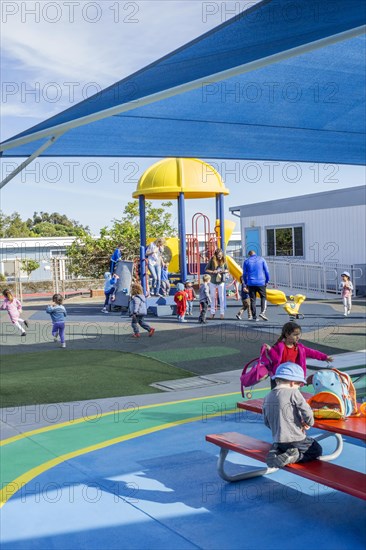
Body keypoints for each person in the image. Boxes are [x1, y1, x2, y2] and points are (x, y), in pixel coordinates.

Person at [263, 362, 323, 468]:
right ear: (292, 383)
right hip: (296, 439)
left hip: (278, 439)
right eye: (299, 384)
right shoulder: (293, 392)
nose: (299, 387)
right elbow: (306, 410)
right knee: (316, 449)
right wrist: (309, 422)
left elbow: (266, 421)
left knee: (286, 446)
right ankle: (295, 457)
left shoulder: (268, 396)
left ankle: (276, 450)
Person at [264, 321, 333, 389]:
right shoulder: (279, 347)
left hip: (293, 377)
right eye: (295, 335)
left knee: (292, 394)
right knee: (278, 396)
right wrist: (270, 350)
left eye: (298, 335)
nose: (298, 337)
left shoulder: (299, 348)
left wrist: (324, 357)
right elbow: (275, 359)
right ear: (287, 335)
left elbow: (313, 353)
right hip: (280, 378)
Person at [242, 250, 270, 321]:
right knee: (263, 297)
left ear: (249, 255)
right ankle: (262, 312)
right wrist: (267, 280)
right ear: (255, 254)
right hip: (261, 282)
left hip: (251, 283)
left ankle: (254, 317)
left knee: (252, 300)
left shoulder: (246, 261)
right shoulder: (261, 259)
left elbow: (244, 274)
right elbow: (267, 271)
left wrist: (246, 283)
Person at [205, 248, 229, 319]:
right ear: (216, 255)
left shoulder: (224, 260)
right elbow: (206, 269)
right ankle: (212, 312)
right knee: (212, 297)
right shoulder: (212, 260)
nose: (220, 257)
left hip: (221, 281)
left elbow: (227, 269)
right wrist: (213, 272)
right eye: (218, 255)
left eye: (221, 255)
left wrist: (224, 271)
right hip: (213, 280)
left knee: (221, 297)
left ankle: (222, 313)